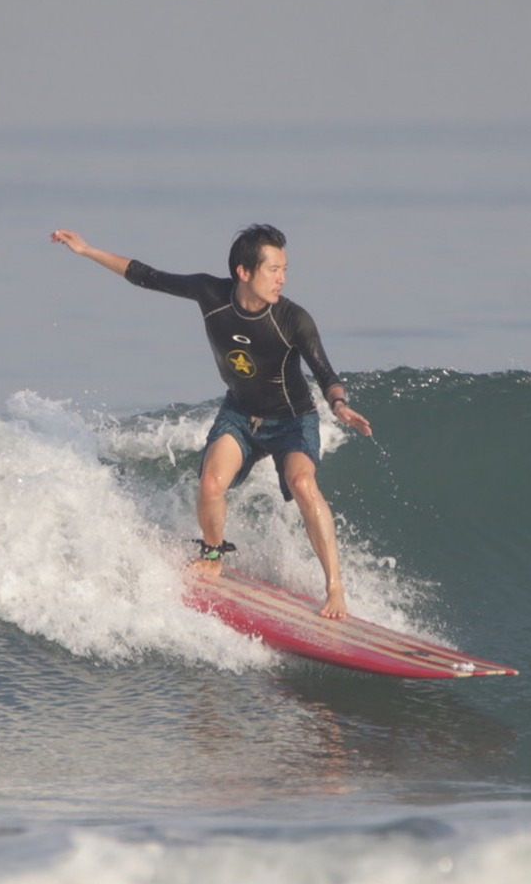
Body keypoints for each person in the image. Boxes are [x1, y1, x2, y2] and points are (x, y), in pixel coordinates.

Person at [50, 225, 373, 619]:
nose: (281, 279)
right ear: (244, 271)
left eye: (284, 269)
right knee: (211, 484)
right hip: (240, 414)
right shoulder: (211, 295)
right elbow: (145, 275)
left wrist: (338, 404)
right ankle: (213, 555)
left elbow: (325, 374)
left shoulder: (293, 319)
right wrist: (86, 250)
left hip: (292, 419)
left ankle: (335, 590)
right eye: (273, 269)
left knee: (303, 484)